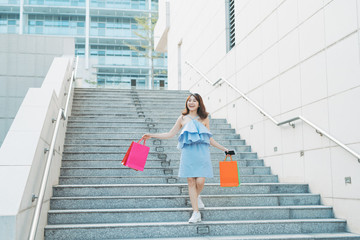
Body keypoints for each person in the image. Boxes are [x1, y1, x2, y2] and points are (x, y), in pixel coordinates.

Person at [142, 93, 229, 223]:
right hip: (188, 153)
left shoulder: (204, 118)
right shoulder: (182, 118)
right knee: (190, 181)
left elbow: (210, 139)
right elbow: (170, 133)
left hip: (202, 153)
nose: (191, 103)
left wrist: (224, 149)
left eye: (194, 101)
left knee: (200, 182)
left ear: (199, 103)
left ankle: (196, 196)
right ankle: (196, 213)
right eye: (189, 101)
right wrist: (152, 135)